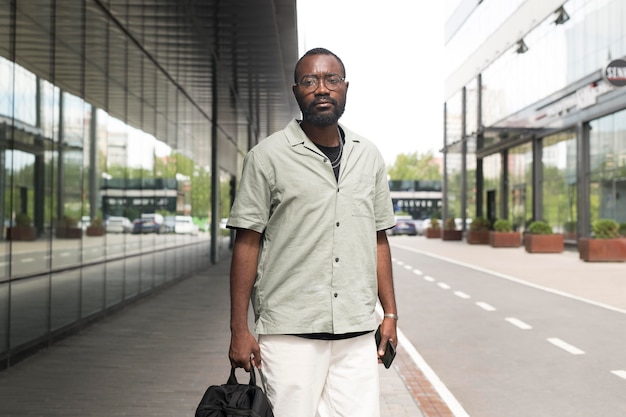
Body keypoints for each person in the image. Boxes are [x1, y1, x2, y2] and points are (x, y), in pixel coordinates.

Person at [227, 47, 398, 417]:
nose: (322, 88)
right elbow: (247, 243)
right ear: (296, 91)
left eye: (331, 79)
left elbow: (378, 239)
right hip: (290, 333)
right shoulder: (267, 157)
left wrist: (391, 315)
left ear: (345, 87)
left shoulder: (369, 156)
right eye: (310, 81)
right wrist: (238, 328)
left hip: (355, 331)